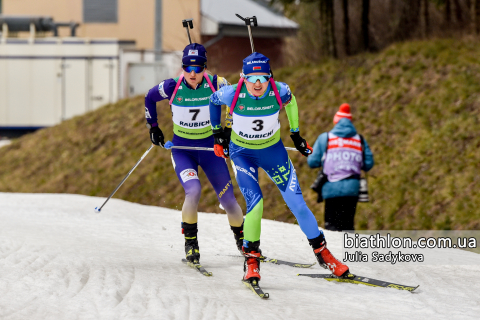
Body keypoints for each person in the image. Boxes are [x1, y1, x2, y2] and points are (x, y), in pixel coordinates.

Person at [209, 52, 350, 283]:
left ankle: (323, 253)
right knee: (256, 203)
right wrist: (218, 133)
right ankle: (252, 260)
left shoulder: (279, 91)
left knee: (298, 203)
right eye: (251, 78)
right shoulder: (232, 92)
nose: (257, 84)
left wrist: (296, 135)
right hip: (242, 155)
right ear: (243, 78)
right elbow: (213, 101)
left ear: (270, 78)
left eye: (262, 78)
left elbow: (291, 101)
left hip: (273, 153)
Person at [144, 43, 244, 263]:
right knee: (194, 190)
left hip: (211, 150)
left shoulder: (217, 83)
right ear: (182, 68)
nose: (192, 72)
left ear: (204, 68)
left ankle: (243, 242)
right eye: (187, 67)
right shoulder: (171, 87)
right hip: (183, 151)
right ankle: (191, 244)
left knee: (228, 200)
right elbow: (149, 98)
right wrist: (153, 127)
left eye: (197, 68)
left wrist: (226, 131)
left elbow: (236, 100)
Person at [307, 103, 374, 231]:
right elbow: (368, 164)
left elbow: (312, 162)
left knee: (331, 226)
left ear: (336, 122)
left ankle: (333, 249)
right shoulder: (359, 140)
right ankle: (348, 250)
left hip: (330, 187)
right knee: (348, 225)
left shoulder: (325, 138)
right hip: (352, 189)